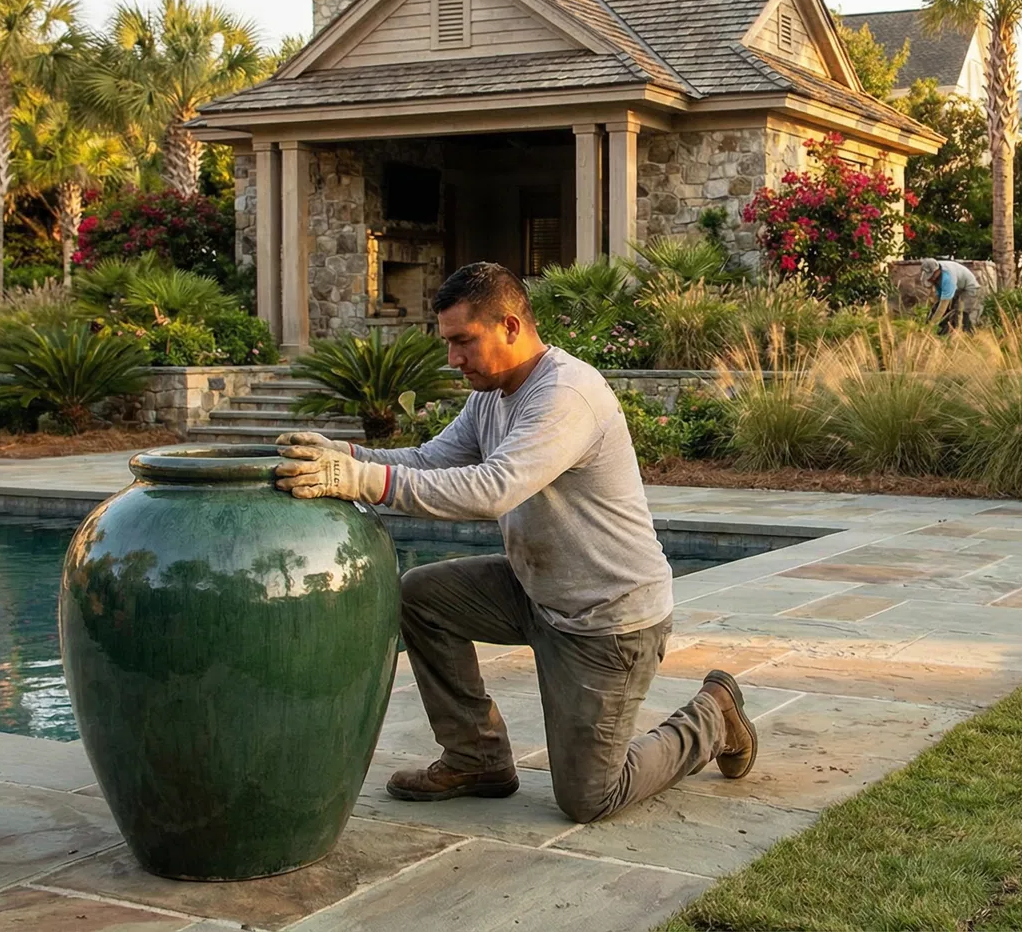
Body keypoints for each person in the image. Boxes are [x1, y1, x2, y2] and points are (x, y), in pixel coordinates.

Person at [272, 262, 756, 824]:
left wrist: (360, 482)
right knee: (421, 596)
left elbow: (492, 489)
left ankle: (714, 716)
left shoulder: (566, 394)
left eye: (462, 341)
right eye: (448, 343)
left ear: (508, 326)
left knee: (590, 798)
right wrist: (348, 456)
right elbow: (432, 460)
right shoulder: (493, 394)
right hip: (536, 594)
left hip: (607, 620)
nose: (453, 358)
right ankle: (476, 758)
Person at [922, 257, 981, 334]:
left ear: (937, 270)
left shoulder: (947, 278)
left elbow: (943, 306)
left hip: (970, 288)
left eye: (932, 275)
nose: (931, 278)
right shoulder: (932, 270)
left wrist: (931, 325)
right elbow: (940, 297)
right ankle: (942, 333)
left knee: (962, 311)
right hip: (958, 287)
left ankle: (967, 335)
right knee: (939, 308)